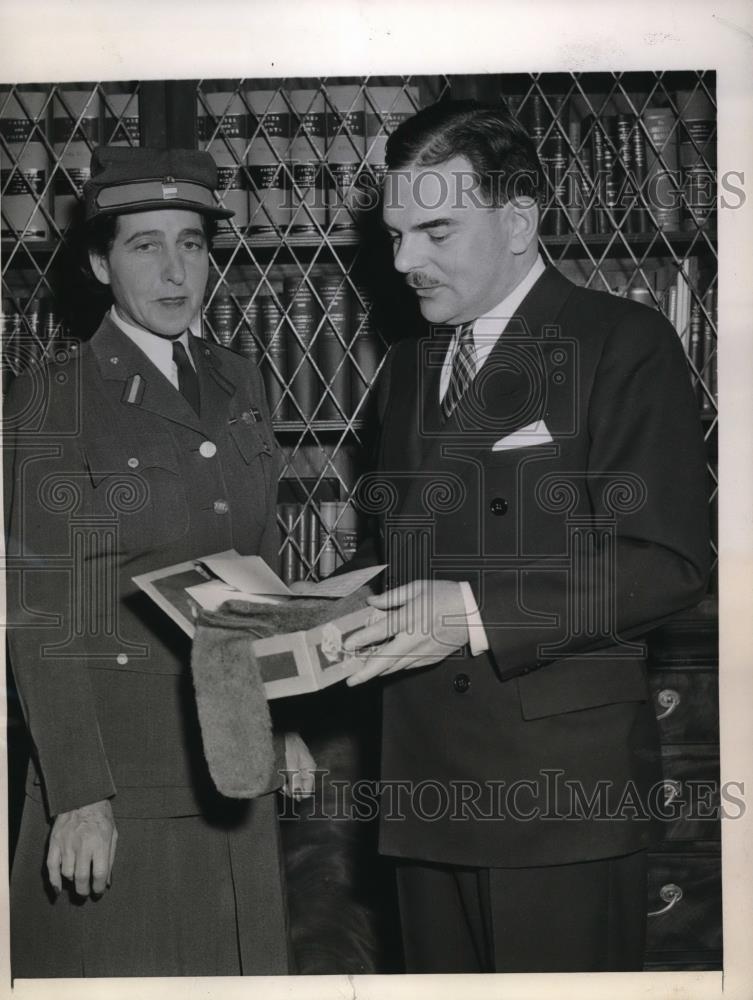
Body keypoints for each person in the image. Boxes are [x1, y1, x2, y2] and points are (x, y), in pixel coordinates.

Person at [341, 100, 710, 973]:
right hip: (422, 784)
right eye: (395, 234)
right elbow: (406, 553)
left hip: (557, 798)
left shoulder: (623, 342)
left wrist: (468, 614)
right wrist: (297, 609)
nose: (403, 262)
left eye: (434, 229)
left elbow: (666, 565)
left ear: (517, 221)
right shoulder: (408, 368)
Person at [4, 145, 314, 978]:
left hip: (232, 761)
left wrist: (280, 717)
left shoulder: (239, 379)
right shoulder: (54, 399)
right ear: (102, 262)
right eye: (146, 246)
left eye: (192, 243)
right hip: (125, 775)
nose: (176, 270)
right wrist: (78, 794)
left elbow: (257, 565)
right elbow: (42, 612)